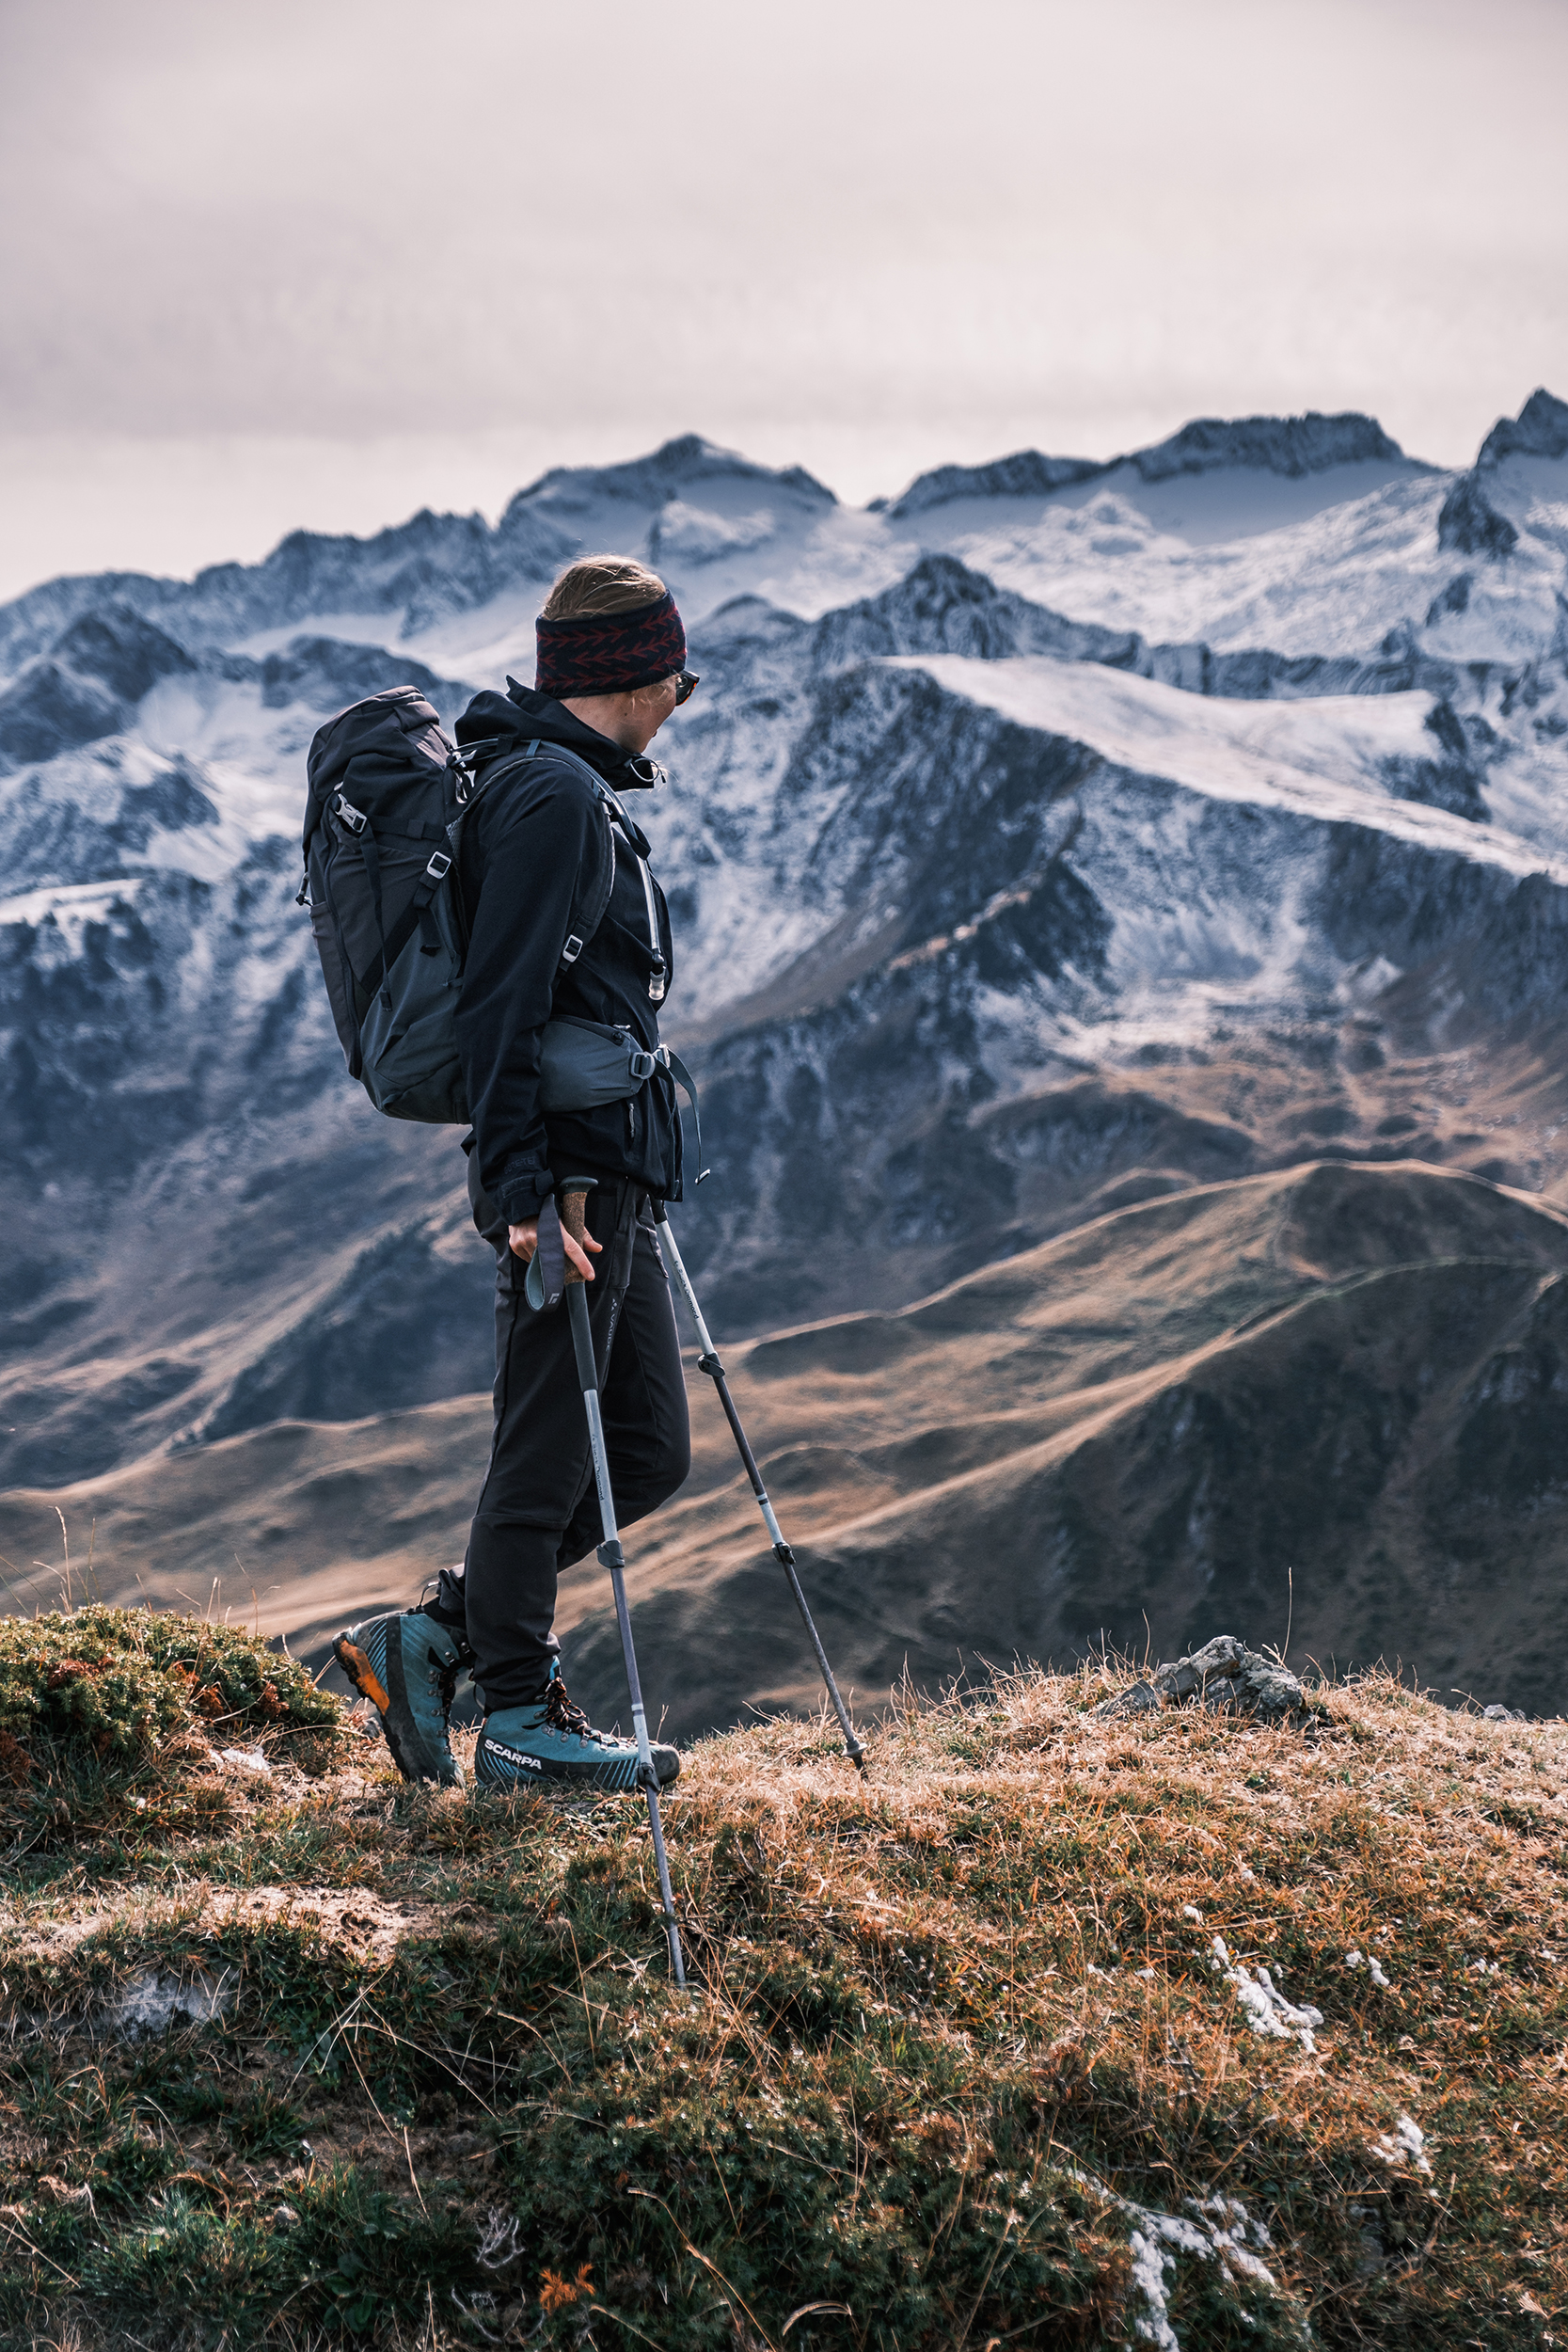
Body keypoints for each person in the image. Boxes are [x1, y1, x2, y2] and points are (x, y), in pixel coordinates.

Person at [333, 555, 699, 1791]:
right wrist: (523, 1199)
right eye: (676, 671)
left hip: (610, 1178)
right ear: (633, 674)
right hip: (572, 1190)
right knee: (546, 1455)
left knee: (644, 1450)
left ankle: (438, 1632)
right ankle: (524, 1718)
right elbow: (500, 1005)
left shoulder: (560, 785)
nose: (684, 692)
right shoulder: (547, 798)